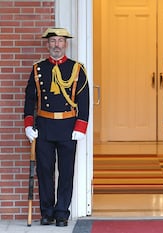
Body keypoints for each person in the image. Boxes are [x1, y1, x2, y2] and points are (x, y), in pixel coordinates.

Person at [23, 28, 90, 227]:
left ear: (65, 44)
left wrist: (81, 126)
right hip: (44, 126)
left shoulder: (77, 69)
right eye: (53, 41)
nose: (56, 45)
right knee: (44, 170)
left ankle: (62, 212)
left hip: (68, 126)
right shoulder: (38, 69)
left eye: (60, 41)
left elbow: (84, 100)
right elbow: (29, 100)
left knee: (66, 171)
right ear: (47, 44)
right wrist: (28, 124)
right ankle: (47, 212)